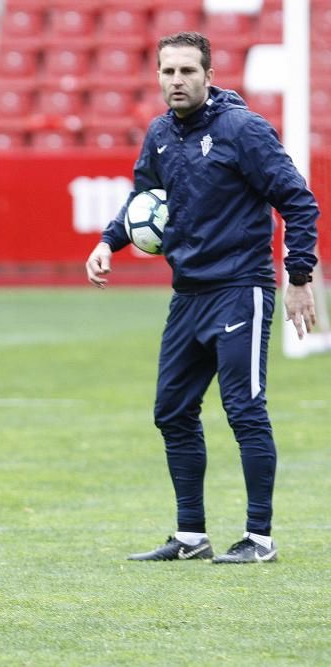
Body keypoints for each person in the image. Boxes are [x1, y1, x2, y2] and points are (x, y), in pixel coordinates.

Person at [85, 32, 319, 564]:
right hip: (188, 294)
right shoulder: (160, 134)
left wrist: (299, 278)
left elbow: (298, 201)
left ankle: (259, 538)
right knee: (172, 412)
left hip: (241, 289)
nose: (176, 81)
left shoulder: (243, 129)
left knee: (245, 411)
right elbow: (144, 201)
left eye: (187, 71)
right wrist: (107, 241)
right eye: (168, 72)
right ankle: (191, 536)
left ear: (209, 77)